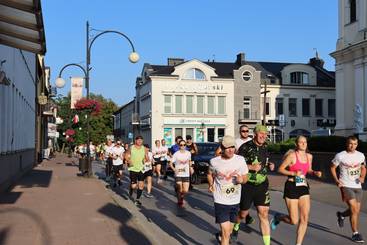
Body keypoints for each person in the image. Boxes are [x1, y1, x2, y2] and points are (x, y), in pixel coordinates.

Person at [270, 135, 322, 245]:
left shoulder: (309, 156)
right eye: (301, 142)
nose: (303, 144)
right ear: (296, 144)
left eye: (305, 142)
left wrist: (314, 172)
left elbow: (308, 169)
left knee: (304, 218)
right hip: (291, 186)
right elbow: (280, 169)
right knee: (294, 220)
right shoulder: (292, 156)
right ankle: (278, 217)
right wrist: (293, 173)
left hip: (303, 186)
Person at [232, 124, 275, 245]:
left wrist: (270, 164)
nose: (263, 136)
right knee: (243, 213)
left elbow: (265, 160)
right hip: (248, 184)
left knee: (264, 213)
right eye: (261, 134)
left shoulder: (266, 146)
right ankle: (236, 226)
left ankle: (267, 244)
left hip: (262, 184)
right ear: (255, 134)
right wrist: (251, 167)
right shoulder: (245, 147)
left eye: (265, 134)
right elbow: (236, 164)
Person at [207, 135, 249, 245]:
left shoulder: (240, 160)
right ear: (222, 147)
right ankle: (223, 237)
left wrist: (242, 180)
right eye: (227, 147)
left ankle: (220, 237)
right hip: (220, 201)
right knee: (226, 233)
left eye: (232, 147)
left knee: (228, 232)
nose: (230, 150)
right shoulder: (214, 162)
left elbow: (245, 176)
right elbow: (209, 174)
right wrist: (211, 184)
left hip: (235, 201)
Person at [330, 136, 366, 243]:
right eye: (350, 143)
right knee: (354, 209)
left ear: (357, 144)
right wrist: (337, 181)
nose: (352, 146)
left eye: (355, 144)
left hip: (358, 186)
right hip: (345, 185)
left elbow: (364, 168)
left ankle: (341, 215)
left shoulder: (361, 155)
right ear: (347, 144)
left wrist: (362, 177)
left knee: (356, 211)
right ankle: (355, 233)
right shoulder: (340, 156)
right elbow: (332, 167)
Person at [125, 136, 148, 206]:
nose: (140, 142)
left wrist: (145, 160)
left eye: (141, 140)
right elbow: (126, 155)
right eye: (138, 140)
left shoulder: (144, 148)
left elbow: (146, 157)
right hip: (133, 168)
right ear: (135, 141)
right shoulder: (131, 147)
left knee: (141, 185)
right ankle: (131, 189)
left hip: (141, 169)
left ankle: (137, 199)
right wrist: (129, 160)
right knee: (134, 186)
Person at [169, 139, 193, 207]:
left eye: (184, 145)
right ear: (179, 146)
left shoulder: (188, 153)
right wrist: (174, 169)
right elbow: (170, 163)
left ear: (185, 145)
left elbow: (189, 162)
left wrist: (191, 168)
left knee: (185, 190)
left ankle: (181, 197)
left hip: (186, 173)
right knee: (180, 189)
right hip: (178, 174)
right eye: (181, 145)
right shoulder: (176, 154)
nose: (183, 146)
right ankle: (180, 201)